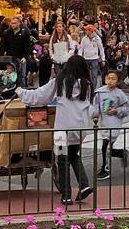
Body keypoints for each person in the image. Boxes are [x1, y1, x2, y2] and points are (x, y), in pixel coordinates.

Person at [17, 53, 94, 204]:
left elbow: (40, 96)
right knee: (73, 155)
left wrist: (21, 92)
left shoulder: (60, 81)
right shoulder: (87, 83)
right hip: (80, 129)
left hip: (62, 128)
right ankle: (84, 185)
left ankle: (66, 195)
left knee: (62, 159)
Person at [94, 67, 129, 178]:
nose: (110, 81)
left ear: (118, 81)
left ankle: (105, 169)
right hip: (104, 123)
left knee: (105, 146)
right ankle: (121, 153)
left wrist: (117, 110)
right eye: (108, 78)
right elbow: (95, 106)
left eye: (113, 79)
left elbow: (127, 110)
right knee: (107, 148)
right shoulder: (99, 92)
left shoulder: (120, 94)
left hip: (114, 124)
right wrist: (95, 114)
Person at [77, 21, 106, 88]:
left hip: (94, 59)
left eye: (86, 30)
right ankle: (85, 87)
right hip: (86, 58)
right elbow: (81, 49)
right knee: (85, 75)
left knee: (94, 75)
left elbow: (101, 48)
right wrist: (80, 57)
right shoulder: (84, 39)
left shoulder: (97, 38)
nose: (85, 31)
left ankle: (93, 88)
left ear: (91, 31)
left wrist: (103, 59)